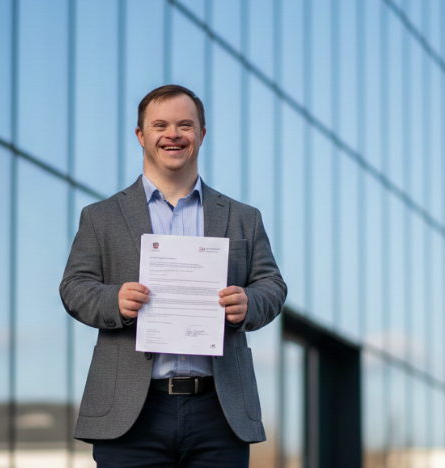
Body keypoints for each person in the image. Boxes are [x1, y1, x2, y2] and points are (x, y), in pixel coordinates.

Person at [60, 85, 287, 467]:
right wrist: (114, 300)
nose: (173, 134)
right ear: (141, 135)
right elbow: (74, 287)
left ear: (201, 134)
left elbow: (272, 285)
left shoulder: (242, 216)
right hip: (131, 410)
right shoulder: (101, 217)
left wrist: (250, 303)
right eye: (160, 125)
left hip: (220, 409)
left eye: (185, 124)